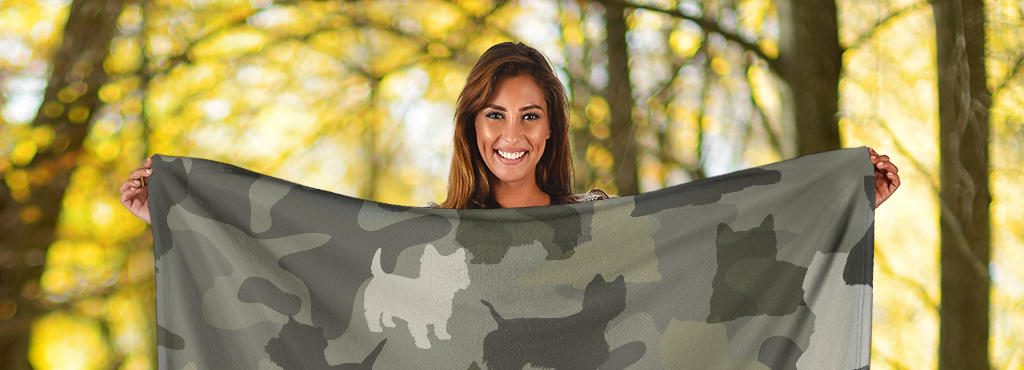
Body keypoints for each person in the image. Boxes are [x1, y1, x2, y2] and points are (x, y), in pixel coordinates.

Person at [119, 40, 899, 219]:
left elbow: (715, 247)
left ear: (551, 130)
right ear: (471, 127)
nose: (512, 133)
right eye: (494, 114)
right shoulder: (432, 237)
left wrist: (840, 205)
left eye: (530, 115)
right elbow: (306, 278)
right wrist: (182, 222)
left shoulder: (597, 222)